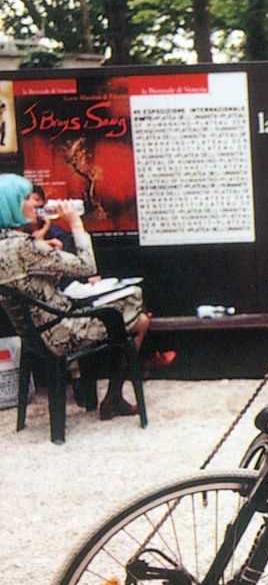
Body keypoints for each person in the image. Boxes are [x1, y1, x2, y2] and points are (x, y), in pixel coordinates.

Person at [0, 173, 151, 420]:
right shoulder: (26, 246)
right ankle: (113, 398)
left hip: (35, 335)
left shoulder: (8, 245)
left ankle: (105, 397)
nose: (35, 204)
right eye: (27, 198)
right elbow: (87, 266)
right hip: (60, 332)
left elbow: (25, 283)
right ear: (12, 206)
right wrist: (75, 223)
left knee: (123, 316)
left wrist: (49, 259)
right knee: (139, 314)